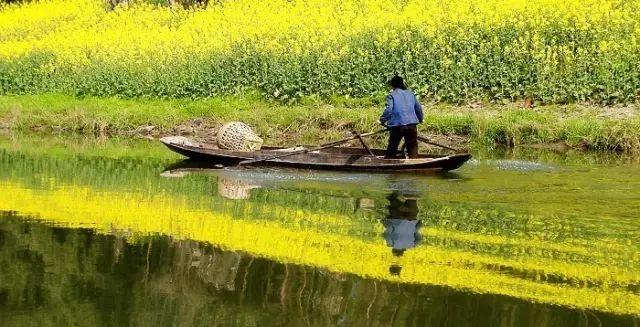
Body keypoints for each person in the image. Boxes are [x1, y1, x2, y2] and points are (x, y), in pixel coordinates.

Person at [379, 76, 424, 159]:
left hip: (398, 125)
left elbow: (389, 110)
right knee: (412, 146)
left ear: (393, 85)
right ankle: (414, 161)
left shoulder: (392, 95)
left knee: (393, 146)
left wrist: (382, 120)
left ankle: (389, 162)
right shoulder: (411, 94)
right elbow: (418, 108)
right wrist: (420, 119)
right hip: (412, 124)